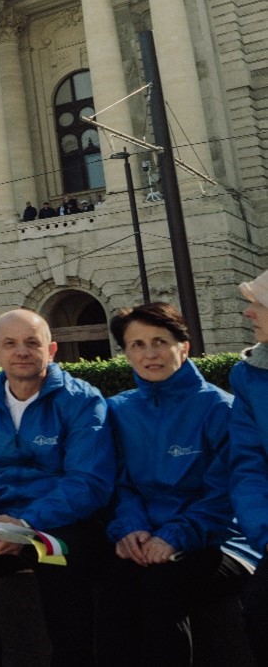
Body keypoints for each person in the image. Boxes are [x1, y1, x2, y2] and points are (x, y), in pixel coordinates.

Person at [0, 309, 114, 667]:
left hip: (61, 523)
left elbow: (88, 483)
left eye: (32, 343)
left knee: (56, 555)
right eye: (10, 343)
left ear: (51, 349)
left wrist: (26, 524)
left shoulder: (82, 400)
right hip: (1, 521)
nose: (21, 351)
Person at [102, 302, 251, 667]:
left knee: (162, 585)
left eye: (160, 341)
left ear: (183, 347)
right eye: (137, 345)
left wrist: (174, 536)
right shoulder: (117, 410)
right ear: (125, 354)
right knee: (114, 585)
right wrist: (130, 528)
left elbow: (224, 494)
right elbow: (119, 484)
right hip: (146, 535)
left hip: (221, 540)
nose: (150, 353)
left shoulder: (220, 408)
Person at [229, 268, 268, 664]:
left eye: (259, 304)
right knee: (259, 615)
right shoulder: (248, 375)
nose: (247, 312)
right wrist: (265, 532)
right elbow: (248, 465)